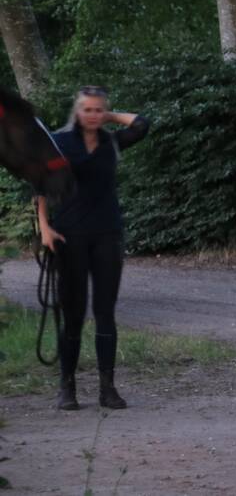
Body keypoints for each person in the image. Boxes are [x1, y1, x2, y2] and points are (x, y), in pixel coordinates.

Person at [36, 86, 150, 411]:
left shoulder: (111, 142)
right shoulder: (59, 143)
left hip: (107, 234)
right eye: (87, 109)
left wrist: (110, 116)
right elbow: (40, 185)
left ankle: (107, 388)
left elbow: (142, 124)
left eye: (99, 110)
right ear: (77, 111)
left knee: (105, 312)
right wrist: (44, 227)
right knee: (72, 313)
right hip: (67, 234)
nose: (93, 115)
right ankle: (67, 388)